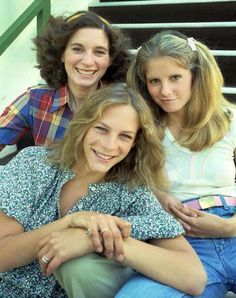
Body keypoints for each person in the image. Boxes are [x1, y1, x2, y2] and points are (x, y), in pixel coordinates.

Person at [0, 84, 206, 297]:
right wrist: (69, 223)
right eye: (101, 129)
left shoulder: (133, 194)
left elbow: (194, 278)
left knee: (80, 267)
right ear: (83, 125)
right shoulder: (34, 163)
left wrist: (93, 239)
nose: (109, 145)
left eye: (124, 136)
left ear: (135, 143)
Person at [118, 29, 236, 297]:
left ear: (195, 75)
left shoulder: (230, 120)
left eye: (175, 78)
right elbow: (122, 179)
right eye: (154, 81)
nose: (165, 91)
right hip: (181, 243)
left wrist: (230, 226)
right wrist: (157, 196)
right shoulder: (142, 128)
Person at [0, 10, 131, 155]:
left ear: (110, 60)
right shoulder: (35, 99)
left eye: (99, 52)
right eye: (77, 49)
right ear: (61, 53)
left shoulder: (123, 106)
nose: (88, 61)